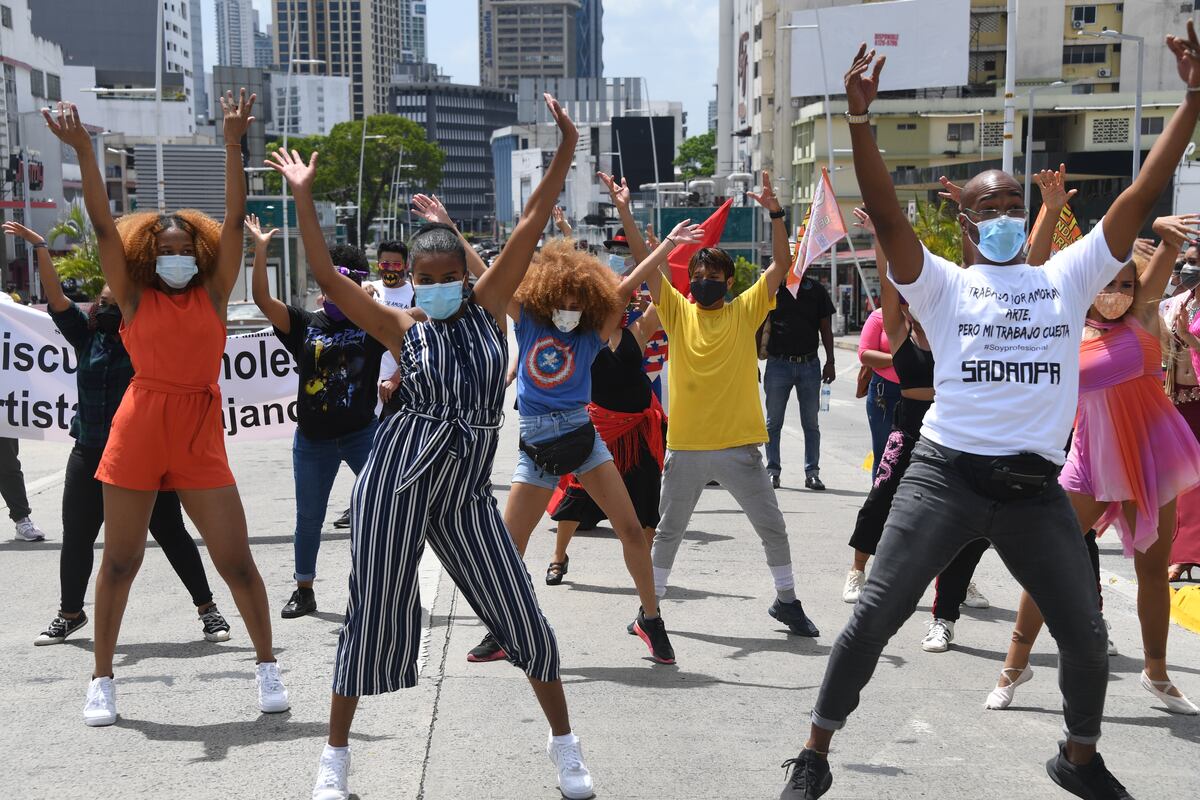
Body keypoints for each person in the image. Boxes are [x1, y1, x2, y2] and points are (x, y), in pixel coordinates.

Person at [778, 34, 1200, 799]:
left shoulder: (1065, 279)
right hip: (943, 477)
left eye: (1014, 204)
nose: (1005, 214)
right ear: (966, 224)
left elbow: (1143, 191)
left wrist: (1195, 101)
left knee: (1086, 637)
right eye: (989, 207)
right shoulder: (941, 285)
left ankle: (1079, 758)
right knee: (874, 618)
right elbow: (882, 211)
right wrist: (861, 124)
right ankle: (814, 752)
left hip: (1035, 490)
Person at [271, 94, 596, 800]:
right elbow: (327, 280)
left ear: (468, 278)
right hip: (397, 478)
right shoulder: (402, 328)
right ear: (411, 280)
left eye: (454, 276)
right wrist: (303, 197)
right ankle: (335, 757)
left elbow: (535, 218)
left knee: (522, 617)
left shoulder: (487, 309)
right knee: (373, 610)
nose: (444, 286)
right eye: (431, 278)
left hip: (465, 493)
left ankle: (565, 746)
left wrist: (567, 147)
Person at [45, 93, 288, 728]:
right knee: (120, 561)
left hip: (198, 427)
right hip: (140, 424)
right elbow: (102, 226)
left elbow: (234, 223)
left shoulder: (211, 294)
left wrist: (234, 145)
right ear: (149, 257)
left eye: (185, 245)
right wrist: (82, 153)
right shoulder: (128, 297)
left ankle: (266, 665)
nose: (176, 253)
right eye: (165, 248)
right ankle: (102, 679)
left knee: (235, 559)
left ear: (198, 254)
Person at [985, 212, 1200, 719]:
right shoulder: (1063, 327)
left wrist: (1166, 239)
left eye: (1128, 283)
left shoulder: (1143, 317)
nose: (1119, 292)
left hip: (1153, 456)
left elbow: (1160, 261)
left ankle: (1157, 672)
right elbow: (1028, 279)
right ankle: (1014, 665)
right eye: (1109, 283)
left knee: (1153, 569)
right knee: (1047, 564)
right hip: (1091, 461)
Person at [467, 216, 702, 667]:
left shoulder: (595, 335)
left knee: (631, 530)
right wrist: (452, 232)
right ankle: (502, 628)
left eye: (579, 302)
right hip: (535, 447)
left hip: (584, 439)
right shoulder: (530, 324)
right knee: (509, 544)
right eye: (563, 301)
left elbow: (629, 281)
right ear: (548, 297)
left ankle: (650, 619)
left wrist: (670, 243)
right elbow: (486, 273)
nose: (569, 309)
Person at [2, 220, 232, 647]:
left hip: (142, 453)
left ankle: (208, 610)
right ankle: (69, 614)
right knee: (78, 537)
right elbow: (56, 299)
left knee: (172, 533)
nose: (109, 309)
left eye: (115, 302)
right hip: (90, 451)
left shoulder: (144, 334)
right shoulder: (86, 339)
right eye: (103, 304)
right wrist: (39, 249)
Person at [644, 170, 819, 640]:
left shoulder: (745, 309)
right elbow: (648, 268)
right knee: (669, 533)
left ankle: (787, 602)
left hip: (741, 448)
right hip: (686, 447)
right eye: (697, 276)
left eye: (712, 276)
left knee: (773, 529)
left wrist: (776, 212)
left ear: (729, 280)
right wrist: (650, 229)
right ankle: (649, 611)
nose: (703, 282)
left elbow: (782, 263)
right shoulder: (677, 312)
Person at [837, 209, 990, 656]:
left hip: (951, 428)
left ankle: (954, 598)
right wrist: (882, 234)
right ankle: (857, 569)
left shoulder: (953, 329)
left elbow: (973, 279)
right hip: (908, 426)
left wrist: (970, 233)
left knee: (963, 519)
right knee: (881, 497)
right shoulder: (899, 331)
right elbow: (889, 281)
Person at [246, 216, 385, 619]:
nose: (330, 295)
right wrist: (259, 250)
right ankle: (303, 588)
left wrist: (371, 302)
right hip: (313, 441)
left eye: (339, 286)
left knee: (384, 507)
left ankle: (384, 588)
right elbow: (262, 301)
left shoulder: (371, 322)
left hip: (362, 434)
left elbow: (418, 315)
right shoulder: (305, 324)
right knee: (309, 517)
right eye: (325, 287)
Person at [544, 173, 664, 585]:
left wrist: (644, 238)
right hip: (595, 427)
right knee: (575, 497)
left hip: (638, 426)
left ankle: (643, 571)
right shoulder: (582, 333)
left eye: (623, 290)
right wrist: (565, 234)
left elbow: (661, 290)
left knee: (646, 501)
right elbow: (571, 276)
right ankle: (559, 557)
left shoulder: (639, 329)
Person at [760, 273, 836, 491]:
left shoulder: (816, 290)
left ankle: (812, 473)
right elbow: (757, 325)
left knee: (811, 424)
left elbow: (825, 328)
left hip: (809, 365)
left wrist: (830, 361)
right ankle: (772, 471)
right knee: (773, 423)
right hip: (778, 365)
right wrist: (750, 360)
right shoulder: (772, 290)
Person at [1165, 246, 1200, 581]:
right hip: (1180, 399)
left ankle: (1188, 556)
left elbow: (1189, 339)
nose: (1188, 267)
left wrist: (1190, 337)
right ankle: (1183, 554)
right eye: (1186, 261)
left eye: (1194, 261)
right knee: (1184, 479)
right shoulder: (1181, 300)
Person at [857, 306, 901, 478]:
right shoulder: (878, 316)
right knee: (884, 454)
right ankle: (880, 503)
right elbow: (864, 354)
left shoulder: (924, 313)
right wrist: (898, 358)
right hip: (884, 393)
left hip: (919, 393)